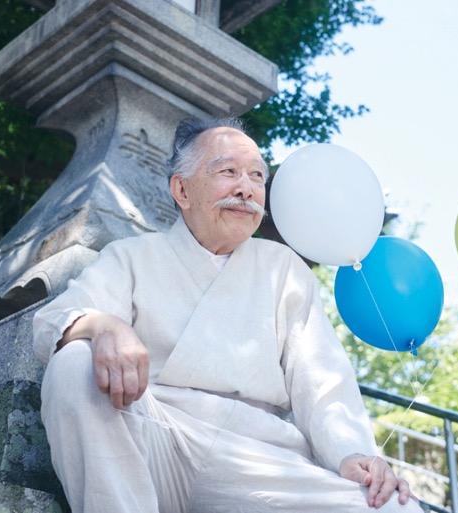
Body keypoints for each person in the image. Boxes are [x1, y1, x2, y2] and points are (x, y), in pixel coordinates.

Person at [33, 117, 424, 513]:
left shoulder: (284, 269)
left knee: (396, 508)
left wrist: (351, 452)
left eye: (257, 176)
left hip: (261, 461)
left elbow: (321, 382)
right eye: (228, 172)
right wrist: (105, 325)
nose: (246, 188)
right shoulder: (132, 256)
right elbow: (55, 320)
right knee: (74, 363)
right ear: (182, 190)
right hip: (157, 435)